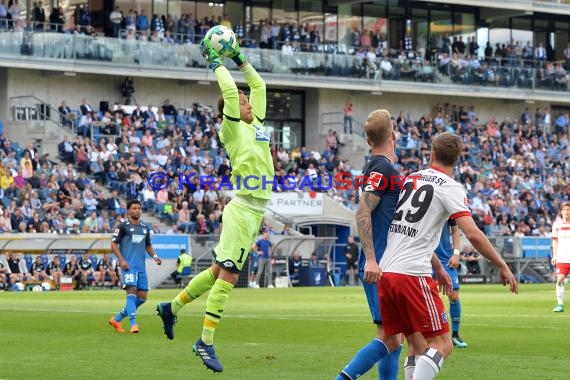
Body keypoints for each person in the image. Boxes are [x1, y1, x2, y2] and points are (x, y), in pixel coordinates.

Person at [156, 34, 274, 373]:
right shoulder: (233, 129)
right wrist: (215, 61)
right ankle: (205, 341)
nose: (249, 100)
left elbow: (259, 83)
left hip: (256, 209)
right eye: (243, 100)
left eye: (247, 99)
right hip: (243, 207)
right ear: (233, 110)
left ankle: (171, 308)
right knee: (231, 275)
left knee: (216, 271)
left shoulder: (259, 124)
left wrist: (238, 57)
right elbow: (229, 93)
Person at [377, 132, 518, 380]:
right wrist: (502, 265)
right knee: (443, 344)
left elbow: (413, 232)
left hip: (387, 272)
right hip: (412, 274)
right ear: (458, 158)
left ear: (431, 154)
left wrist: (439, 269)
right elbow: (473, 234)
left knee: (417, 345)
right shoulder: (451, 188)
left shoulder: (412, 178)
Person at [335, 109, 403, 380]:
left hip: (386, 262)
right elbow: (362, 212)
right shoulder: (382, 168)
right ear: (393, 135)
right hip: (380, 264)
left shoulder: (375, 166)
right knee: (389, 337)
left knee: (394, 338)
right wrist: (372, 259)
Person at [108, 199, 161, 334]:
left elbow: (148, 245)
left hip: (141, 267)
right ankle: (133, 324)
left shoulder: (145, 228)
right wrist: (122, 260)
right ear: (128, 211)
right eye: (134, 208)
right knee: (131, 291)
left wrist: (155, 256)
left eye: (139, 208)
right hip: (128, 266)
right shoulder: (122, 226)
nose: (137, 210)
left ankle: (117, 319)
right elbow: (113, 244)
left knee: (142, 297)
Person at [434, 220, 467, 348]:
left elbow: (455, 230)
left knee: (453, 295)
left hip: (445, 257)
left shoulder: (447, 201)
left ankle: (455, 334)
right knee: (424, 297)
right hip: (423, 255)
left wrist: (456, 254)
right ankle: (429, 335)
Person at [552, 202, 570, 312]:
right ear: (561, 211)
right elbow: (555, 241)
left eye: (568, 210)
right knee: (560, 279)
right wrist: (555, 255)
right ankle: (560, 304)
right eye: (565, 210)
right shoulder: (557, 225)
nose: (567, 212)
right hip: (562, 257)